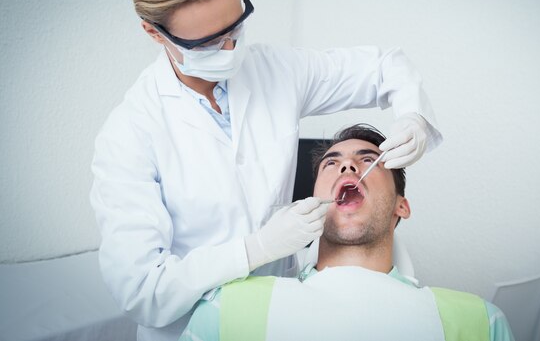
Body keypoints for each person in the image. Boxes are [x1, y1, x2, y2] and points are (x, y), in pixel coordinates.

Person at [90, 0, 442, 341]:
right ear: (155, 33)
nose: (230, 47)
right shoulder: (130, 133)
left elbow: (383, 67)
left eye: (236, 25)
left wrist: (413, 115)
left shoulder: (276, 71)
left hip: (280, 317)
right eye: (206, 42)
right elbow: (141, 291)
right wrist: (255, 249)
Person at [179, 124, 514, 341]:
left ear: (402, 206)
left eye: (370, 160)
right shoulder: (228, 308)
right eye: (331, 163)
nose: (348, 166)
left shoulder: (480, 323)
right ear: (310, 199)